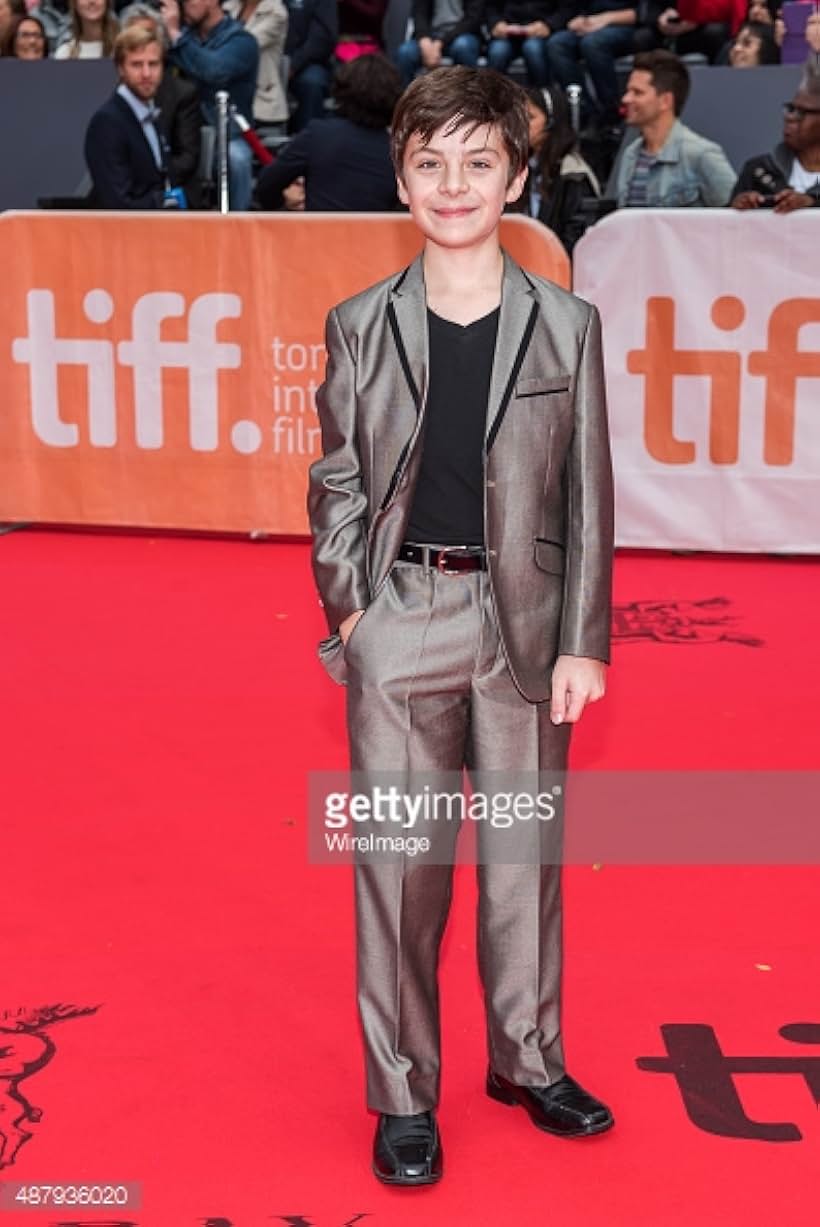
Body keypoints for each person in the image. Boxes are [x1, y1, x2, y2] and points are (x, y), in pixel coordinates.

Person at [308, 65, 615, 1187]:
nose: (453, 184)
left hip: (527, 629)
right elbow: (336, 480)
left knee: (524, 860)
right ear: (401, 176)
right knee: (398, 867)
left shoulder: (566, 326)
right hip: (402, 624)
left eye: (478, 163)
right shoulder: (358, 325)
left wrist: (585, 639)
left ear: (517, 177)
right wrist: (356, 612)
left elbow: (587, 493)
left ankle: (528, 1061)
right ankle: (402, 1092)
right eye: (429, 163)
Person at [257, 52, 400, 208]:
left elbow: (266, 187)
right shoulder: (398, 151)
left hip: (319, 230)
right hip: (379, 231)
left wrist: (286, 203)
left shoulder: (318, 134)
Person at [160, 0, 259, 209]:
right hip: (183, 134)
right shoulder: (180, 38)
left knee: (237, 159)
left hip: (225, 135)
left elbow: (213, 71)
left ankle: (238, 229)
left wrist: (175, 34)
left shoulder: (242, 41)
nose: (183, 6)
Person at [615, 49, 736, 206]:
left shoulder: (701, 154)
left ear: (665, 101)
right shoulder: (631, 154)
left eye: (637, 93)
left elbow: (735, 218)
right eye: (628, 91)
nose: (626, 99)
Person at [120, 3, 204, 207]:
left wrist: (145, 177)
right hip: (124, 192)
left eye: (147, 36)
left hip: (171, 189)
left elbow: (187, 158)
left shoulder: (183, 93)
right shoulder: (112, 94)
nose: (142, 43)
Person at [509, 84, 601, 251]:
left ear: (551, 122)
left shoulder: (573, 173)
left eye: (529, 118)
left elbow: (575, 238)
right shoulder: (519, 169)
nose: (520, 125)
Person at [84, 25, 168, 207]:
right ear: (121, 69)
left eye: (153, 64)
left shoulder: (152, 115)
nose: (147, 74)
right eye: (136, 64)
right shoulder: (107, 123)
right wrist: (164, 202)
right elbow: (117, 203)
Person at [731, 71, 820, 210]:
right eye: (791, 109)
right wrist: (737, 206)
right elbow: (721, 226)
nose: (789, 117)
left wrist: (812, 204)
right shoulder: (758, 169)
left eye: (802, 112)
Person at [547, 0, 640, 129]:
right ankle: (584, 109)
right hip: (590, 22)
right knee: (557, 44)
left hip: (626, 25)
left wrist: (604, 19)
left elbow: (645, 12)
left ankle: (612, 112)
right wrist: (579, 19)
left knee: (592, 44)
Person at [224, 0, 289, 132]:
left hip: (259, 101)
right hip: (225, 96)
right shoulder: (228, 7)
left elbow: (243, 47)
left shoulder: (276, 12)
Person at [394, 0, 482, 88]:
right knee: (405, 52)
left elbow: (472, 19)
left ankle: (469, 96)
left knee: (463, 47)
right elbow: (419, 14)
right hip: (429, 37)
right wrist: (424, 40)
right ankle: (405, 99)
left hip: (461, 35)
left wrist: (440, 43)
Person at [484, 0, 567, 86]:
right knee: (498, 52)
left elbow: (566, 8)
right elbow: (490, 7)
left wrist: (549, 25)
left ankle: (541, 93)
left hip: (539, 30)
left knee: (533, 49)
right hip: (506, 31)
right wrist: (495, 23)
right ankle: (491, 92)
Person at [284, 0, 337, 131]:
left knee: (312, 83)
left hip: (304, 62)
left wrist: (293, 65)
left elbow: (322, 38)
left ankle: (309, 140)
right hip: (263, 57)